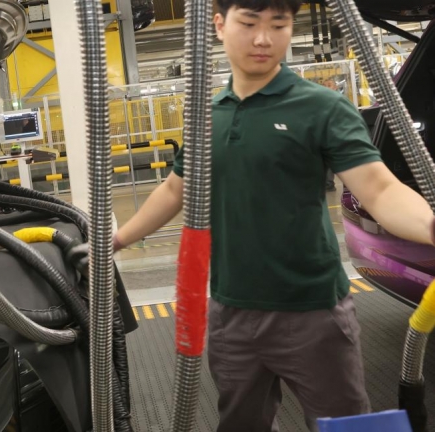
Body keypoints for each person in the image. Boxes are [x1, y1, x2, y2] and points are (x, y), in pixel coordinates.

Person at [112, 0, 435, 430]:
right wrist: (116, 240)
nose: (263, 38)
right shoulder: (208, 115)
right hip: (230, 312)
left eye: (278, 24)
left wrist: (429, 225)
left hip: (314, 312)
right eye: (249, 23)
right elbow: (175, 189)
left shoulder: (322, 107)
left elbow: (380, 189)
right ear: (219, 25)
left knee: (346, 425)